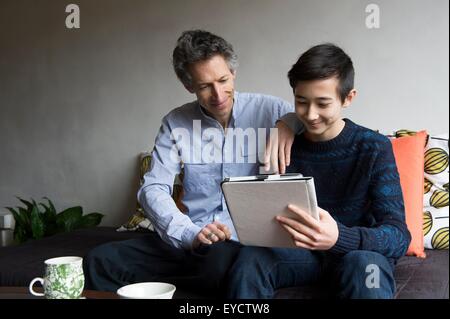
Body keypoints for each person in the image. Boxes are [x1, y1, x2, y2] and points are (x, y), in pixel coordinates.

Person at [83, 29, 301, 296]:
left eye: (223, 80)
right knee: (100, 261)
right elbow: (153, 188)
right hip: (190, 239)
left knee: (219, 263)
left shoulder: (273, 112)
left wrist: (291, 122)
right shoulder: (175, 123)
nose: (218, 95)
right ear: (188, 86)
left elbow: (320, 119)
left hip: (240, 244)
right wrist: (190, 234)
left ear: (233, 72)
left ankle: (174, 286)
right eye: (204, 86)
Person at [227, 43, 412, 299]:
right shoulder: (286, 145)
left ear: (348, 98)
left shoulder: (374, 148)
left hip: (357, 255)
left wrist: (340, 237)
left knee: (363, 267)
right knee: (251, 258)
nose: (311, 115)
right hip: (303, 257)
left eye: (323, 103)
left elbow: (399, 236)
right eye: (301, 102)